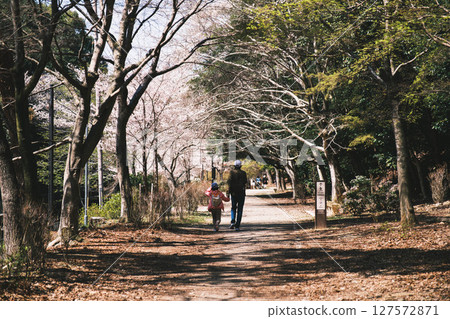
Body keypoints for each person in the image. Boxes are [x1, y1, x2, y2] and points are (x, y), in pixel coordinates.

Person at [227, 160, 247, 230]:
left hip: (233, 193)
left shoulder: (231, 173)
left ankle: (232, 222)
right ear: (240, 166)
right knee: (240, 209)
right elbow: (245, 182)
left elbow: (229, 183)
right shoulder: (243, 173)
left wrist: (228, 193)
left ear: (234, 166)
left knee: (233, 208)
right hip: (241, 193)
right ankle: (237, 226)